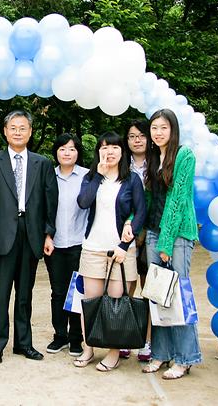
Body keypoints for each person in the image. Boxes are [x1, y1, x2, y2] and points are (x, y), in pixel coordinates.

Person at [0, 110, 58, 366]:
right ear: (5, 131)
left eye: (23, 128)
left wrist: (48, 234)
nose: (18, 132)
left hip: (31, 235)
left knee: (25, 295)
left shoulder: (41, 163)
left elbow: (49, 202)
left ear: (30, 132)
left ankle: (24, 343)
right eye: (13, 127)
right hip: (1, 236)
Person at [73, 132, 146, 372]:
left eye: (115, 147)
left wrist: (125, 245)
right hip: (92, 248)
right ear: (99, 152)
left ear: (122, 151)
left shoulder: (132, 179)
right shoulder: (92, 176)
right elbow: (83, 202)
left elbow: (141, 212)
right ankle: (88, 348)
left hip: (121, 251)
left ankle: (113, 352)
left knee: (116, 304)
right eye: (105, 148)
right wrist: (99, 176)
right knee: (90, 303)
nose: (110, 152)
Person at [141, 108, 202, 380]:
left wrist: (165, 241)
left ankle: (185, 357)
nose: (158, 132)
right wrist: (138, 225)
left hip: (177, 236)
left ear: (173, 130)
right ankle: (161, 353)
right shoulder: (153, 158)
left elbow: (177, 201)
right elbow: (150, 198)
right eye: (154, 128)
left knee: (179, 295)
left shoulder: (184, 156)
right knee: (158, 296)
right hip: (154, 233)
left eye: (164, 127)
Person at [44, 134, 89, 357]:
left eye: (71, 149)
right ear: (56, 152)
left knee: (77, 292)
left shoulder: (87, 176)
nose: (67, 153)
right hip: (54, 244)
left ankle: (75, 339)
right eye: (62, 149)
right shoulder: (48, 175)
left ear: (78, 152)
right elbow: (42, 209)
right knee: (58, 291)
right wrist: (47, 236)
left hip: (79, 243)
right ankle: (59, 335)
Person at [122, 119, 152, 362]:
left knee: (149, 289)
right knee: (126, 287)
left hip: (153, 232)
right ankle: (123, 337)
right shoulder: (122, 165)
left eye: (141, 135)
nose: (137, 140)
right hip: (127, 232)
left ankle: (148, 341)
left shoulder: (158, 163)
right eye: (132, 136)